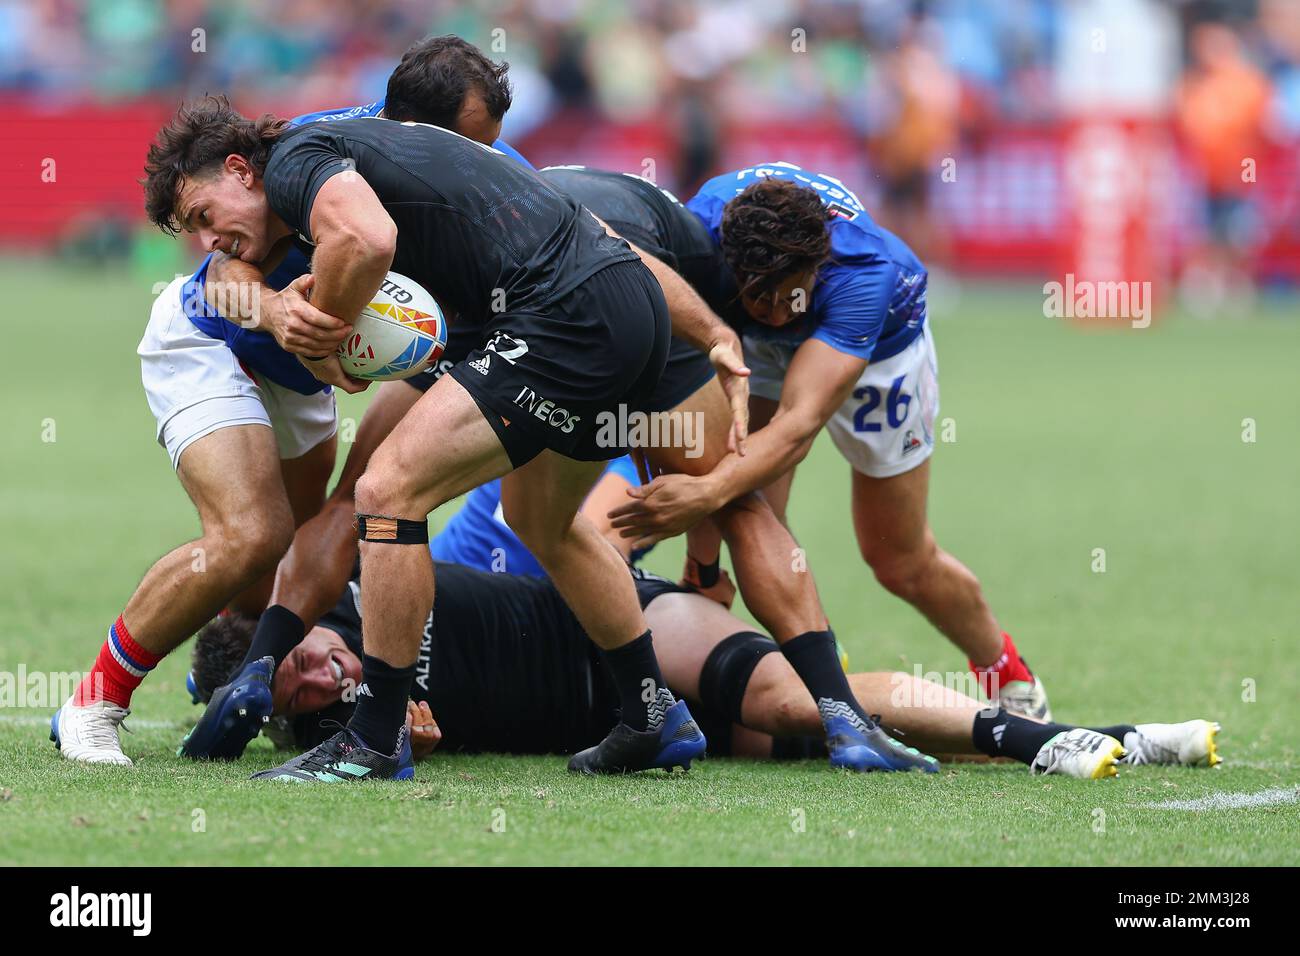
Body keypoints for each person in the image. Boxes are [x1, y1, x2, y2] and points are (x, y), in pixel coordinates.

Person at [141, 93, 758, 782]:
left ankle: (373, 739)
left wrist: (326, 339)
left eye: (205, 215)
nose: (208, 238)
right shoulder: (401, 158)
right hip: (623, 313)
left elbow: (367, 240)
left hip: (559, 319)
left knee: (386, 492)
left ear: (240, 169)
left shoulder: (294, 160)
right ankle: (651, 714)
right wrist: (711, 332)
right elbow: (611, 244)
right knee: (541, 522)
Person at [608, 162, 1053, 720]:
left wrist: (707, 493)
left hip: (877, 346)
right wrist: (707, 550)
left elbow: (796, 428)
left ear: (815, 268)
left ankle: (1008, 675)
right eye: (759, 298)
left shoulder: (864, 274)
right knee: (754, 515)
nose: (773, 314)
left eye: (784, 298)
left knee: (898, 558)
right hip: (747, 333)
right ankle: (823, 669)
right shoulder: (700, 234)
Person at [191, 562, 1222, 781]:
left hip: (629, 628)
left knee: (791, 695)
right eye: (310, 699)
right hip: (607, 720)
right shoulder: (352, 722)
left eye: (310, 664)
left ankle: (1044, 740)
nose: (327, 678)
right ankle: (1123, 734)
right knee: (812, 734)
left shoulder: (353, 587)